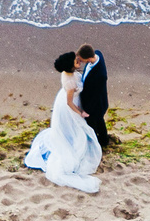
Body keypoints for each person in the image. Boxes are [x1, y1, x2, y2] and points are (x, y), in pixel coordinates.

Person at [21, 51, 102, 193]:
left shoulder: (69, 72)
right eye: (76, 61)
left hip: (68, 102)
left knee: (73, 131)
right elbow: (69, 103)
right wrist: (80, 112)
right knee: (76, 130)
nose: (79, 61)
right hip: (68, 107)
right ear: (71, 67)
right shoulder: (70, 82)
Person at [76, 43, 113, 148]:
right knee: (100, 122)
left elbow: (95, 96)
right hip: (95, 100)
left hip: (96, 105)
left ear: (88, 59)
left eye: (82, 59)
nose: (81, 61)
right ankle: (104, 139)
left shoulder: (100, 75)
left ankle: (98, 144)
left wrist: (87, 111)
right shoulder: (97, 53)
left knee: (93, 124)